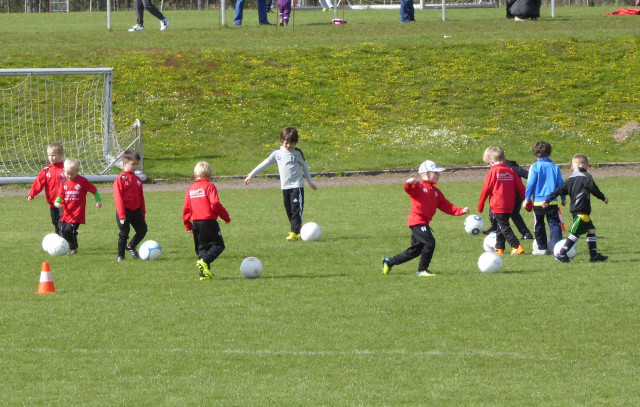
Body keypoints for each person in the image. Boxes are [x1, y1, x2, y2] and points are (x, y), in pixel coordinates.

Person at [382, 160, 469, 277]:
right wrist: (408, 183)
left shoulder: (436, 192)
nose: (439, 175)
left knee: (416, 250)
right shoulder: (418, 186)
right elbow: (408, 189)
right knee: (430, 243)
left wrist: (460, 211)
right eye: (436, 173)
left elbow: (447, 206)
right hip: (417, 221)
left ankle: (389, 262)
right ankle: (422, 270)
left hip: (423, 223)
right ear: (427, 174)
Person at [244, 127, 317, 241]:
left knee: (296, 209)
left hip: (297, 185)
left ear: (295, 143)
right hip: (285, 187)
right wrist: (251, 175)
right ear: (282, 140)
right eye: (286, 143)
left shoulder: (297, 152)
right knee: (289, 210)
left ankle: (294, 232)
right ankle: (297, 232)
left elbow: (305, 166)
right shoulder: (277, 153)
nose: (288, 146)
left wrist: (310, 181)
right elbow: (265, 163)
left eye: (291, 143)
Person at [543, 154, 609, 263]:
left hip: (578, 211)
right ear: (587, 167)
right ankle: (561, 254)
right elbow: (594, 189)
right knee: (576, 234)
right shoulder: (586, 176)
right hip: (581, 211)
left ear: (572, 168)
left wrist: (547, 200)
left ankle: (594, 256)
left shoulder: (571, 179)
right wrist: (603, 198)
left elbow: (559, 190)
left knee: (591, 230)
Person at [183, 162, 231, 281]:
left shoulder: (190, 189)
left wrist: (187, 224)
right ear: (210, 175)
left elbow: (186, 208)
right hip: (209, 221)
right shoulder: (209, 186)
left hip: (196, 223)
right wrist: (226, 217)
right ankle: (205, 262)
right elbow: (215, 203)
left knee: (202, 248)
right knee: (219, 245)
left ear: (195, 174)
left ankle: (203, 274)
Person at [478, 147, 526, 256]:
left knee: (504, 226)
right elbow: (521, 188)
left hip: (498, 205)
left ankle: (517, 246)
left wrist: (480, 205)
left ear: (491, 161)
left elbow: (486, 189)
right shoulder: (511, 171)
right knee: (501, 225)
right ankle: (499, 248)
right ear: (504, 160)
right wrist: (527, 202)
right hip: (510, 205)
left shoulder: (493, 171)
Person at [522, 141, 565, 255]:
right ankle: (557, 248)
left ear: (535, 154)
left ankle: (542, 248)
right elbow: (561, 184)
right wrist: (563, 198)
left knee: (539, 224)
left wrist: (527, 199)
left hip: (538, 202)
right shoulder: (555, 167)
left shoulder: (534, 167)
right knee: (555, 224)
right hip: (552, 201)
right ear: (549, 153)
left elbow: (531, 183)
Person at [54, 158, 102, 255]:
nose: (69, 176)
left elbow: (94, 190)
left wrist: (98, 201)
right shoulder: (63, 182)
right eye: (67, 174)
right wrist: (56, 203)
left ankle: (73, 248)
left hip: (77, 212)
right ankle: (67, 245)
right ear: (64, 170)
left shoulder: (82, 181)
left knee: (69, 230)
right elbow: (60, 196)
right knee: (63, 231)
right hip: (66, 212)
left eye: (72, 174)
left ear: (77, 171)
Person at [113, 150, 147, 262]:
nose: (135, 166)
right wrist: (122, 214)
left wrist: (142, 211)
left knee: (143, 230)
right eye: (133, 164)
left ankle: (131, 246)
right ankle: (120, 256)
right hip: (124, 212)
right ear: (125, 163)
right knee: (124, 233)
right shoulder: (120, 179)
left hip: (136, 211)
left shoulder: (137, 180)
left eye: (137, 164)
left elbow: (141, 197)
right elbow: (118, 198)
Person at [28, 142, 66, 235]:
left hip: (64, 202)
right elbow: (39, 182)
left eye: (53, 155)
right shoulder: (46, 169)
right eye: (49, 155)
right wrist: (32, 194)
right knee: (55, 221)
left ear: (61, 155)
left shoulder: (66, 168)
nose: (51, 158)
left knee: (62, 222)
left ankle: (66, 240)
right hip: (52, 202)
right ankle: (60, 238)